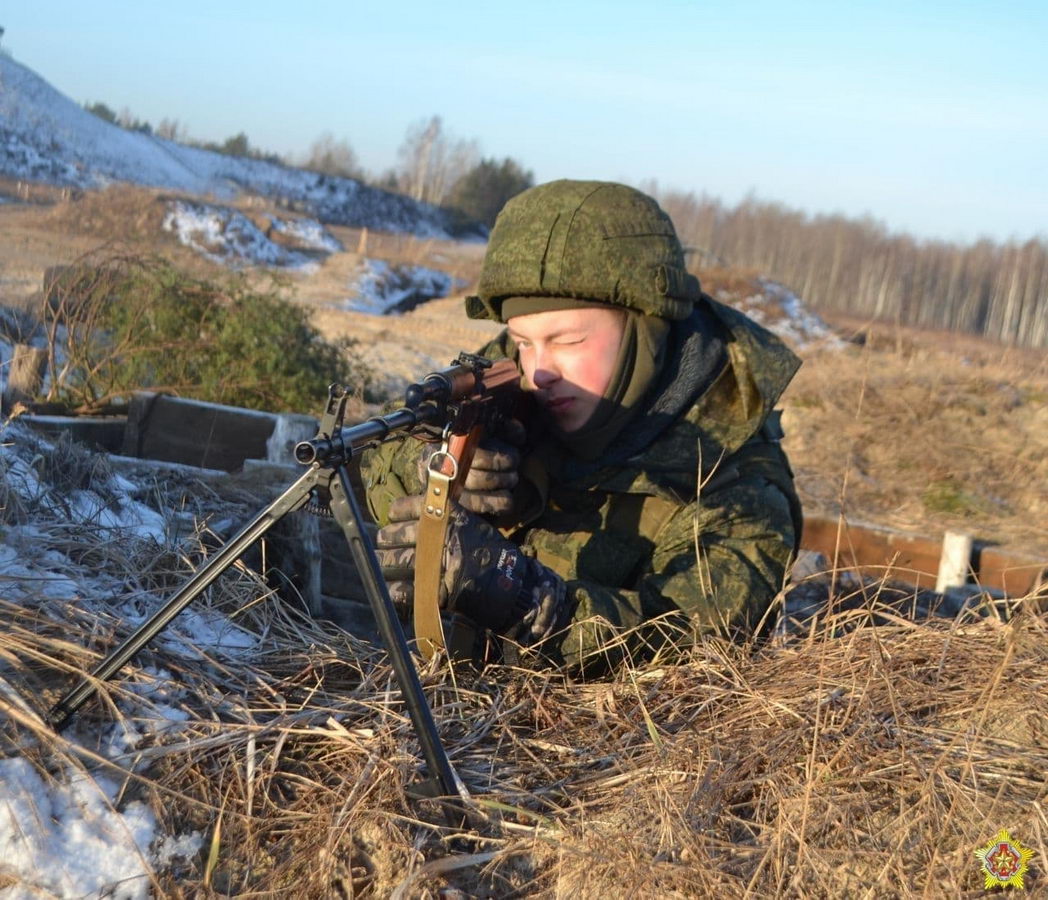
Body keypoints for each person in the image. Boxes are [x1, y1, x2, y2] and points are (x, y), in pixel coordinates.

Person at [361, 180, 803, 672]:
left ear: (646, 332)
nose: (538, 370)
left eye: (568, 340)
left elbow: (687, 651)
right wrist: (432, 467)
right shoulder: (509, 379)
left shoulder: (738, 487)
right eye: (523, 341)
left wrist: (524, 598)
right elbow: (383, 454)